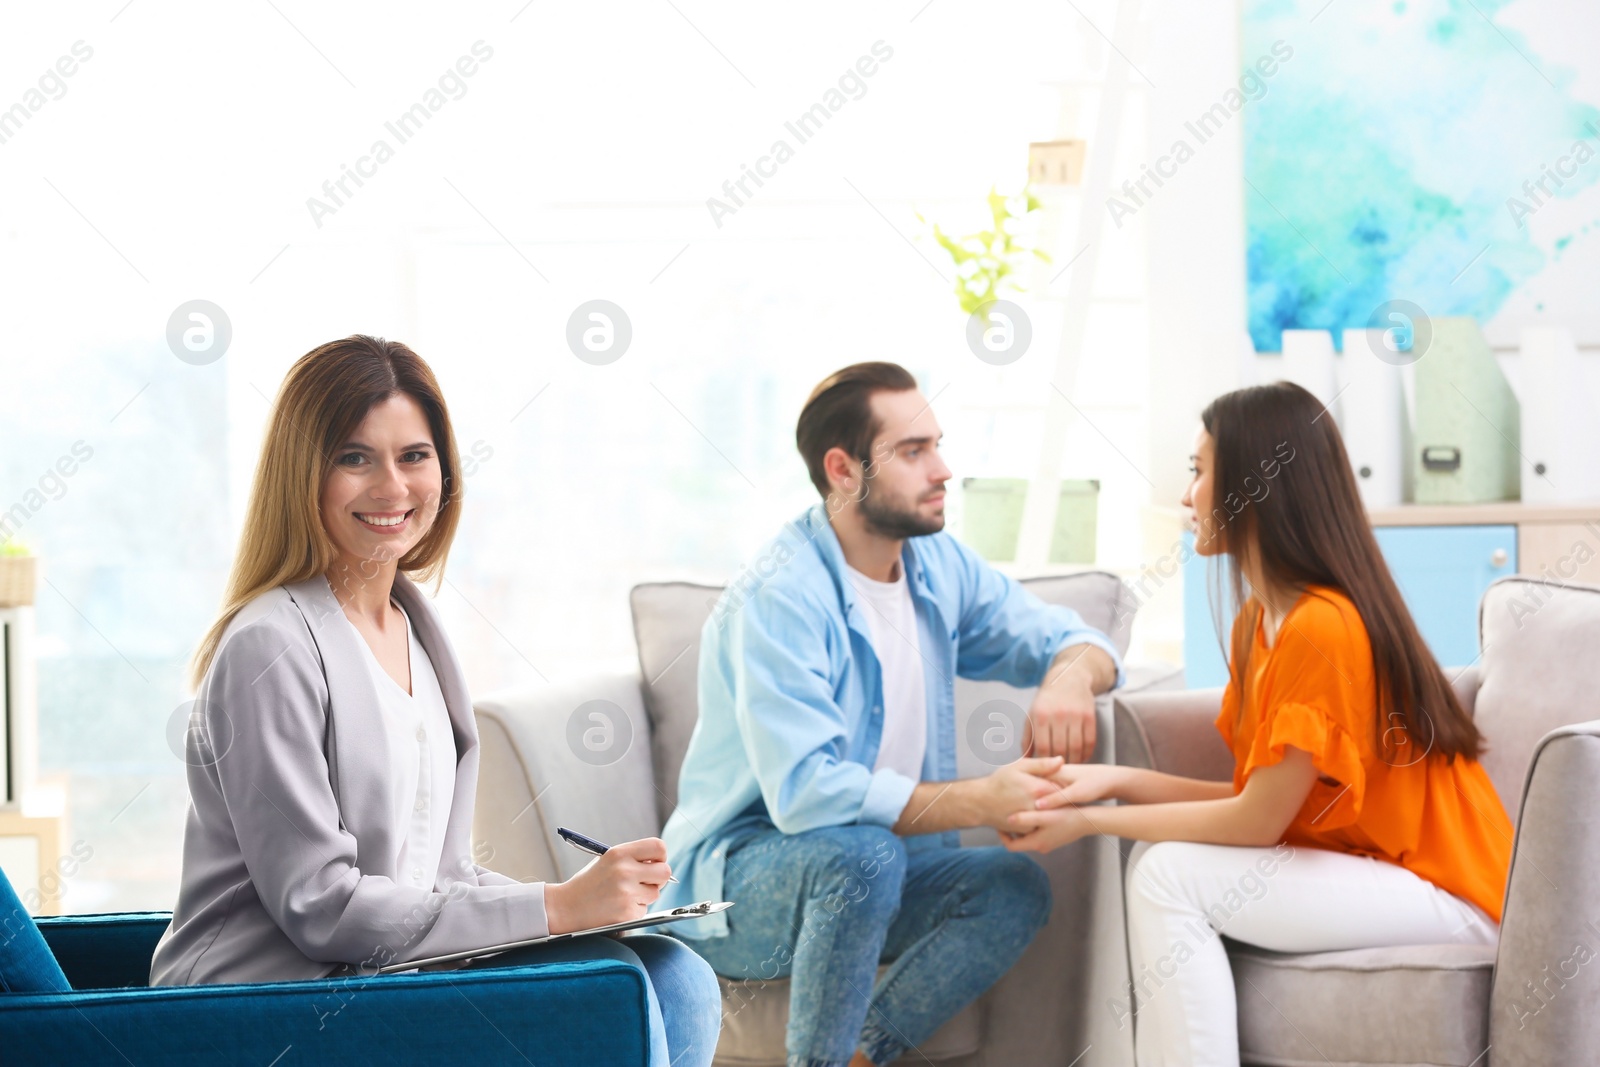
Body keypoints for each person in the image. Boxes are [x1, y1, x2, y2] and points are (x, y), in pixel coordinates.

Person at [149, 335, 720, 1067]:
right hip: (273, 999)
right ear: (303, 473)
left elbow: (439, 877)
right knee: (618, 995)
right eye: (355, 457)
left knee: (676, 973)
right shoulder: (272, 646)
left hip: (386, 973)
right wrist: (556, 909)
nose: (393, 487)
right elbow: (322, 907)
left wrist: (573, 903)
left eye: (414, 456)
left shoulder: (414, 626)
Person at [1003, 381, 1514, 1067]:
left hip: (1450, 897)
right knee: (1165, 868)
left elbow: (1255, 824)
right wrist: (1111, 780)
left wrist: (1094, 818)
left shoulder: (1323, 625)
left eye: (1197, 470)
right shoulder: (1258, 628)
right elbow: (1259, 801)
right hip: (1378, 877)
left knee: (1167, 874)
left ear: (1253, 481)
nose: (1186, 496)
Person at [660, 361, 1125, 1067]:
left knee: (1011, 884)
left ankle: (862, 1058)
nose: (942, 469)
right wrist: (977, 797)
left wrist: (1067, 676)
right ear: (842, 469)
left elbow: (1074, 639)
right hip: (736, 890)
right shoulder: (781, 595)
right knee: (864, 853)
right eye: (913, 452)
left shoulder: (938, 565)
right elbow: (807, 795)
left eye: (936, 444)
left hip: (874, 873)